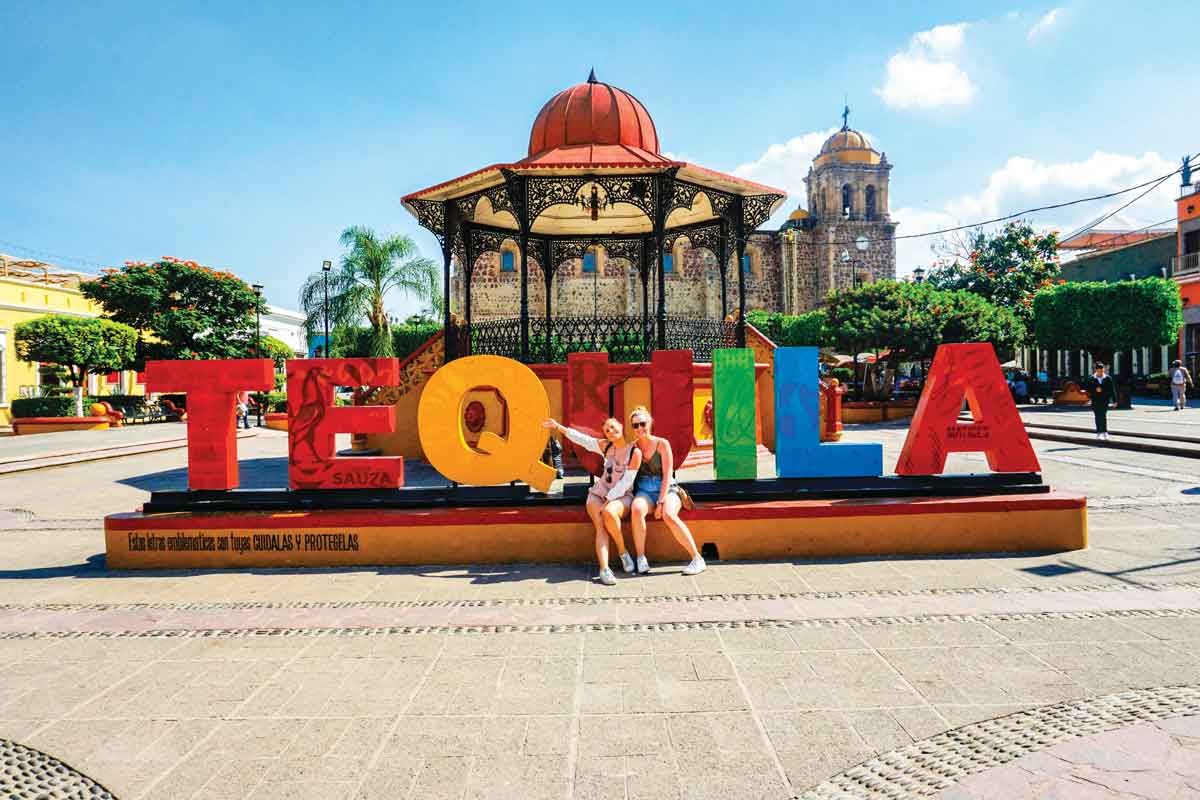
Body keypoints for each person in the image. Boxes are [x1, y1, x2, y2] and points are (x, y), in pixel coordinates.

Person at [542, 416, 638, 586]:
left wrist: (609, 499)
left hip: (621, 496)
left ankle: (623, 552)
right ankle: (605, 569)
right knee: (600, 525)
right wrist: (558, 427)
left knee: (609, 513)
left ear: (621, 427)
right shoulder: (605, 446)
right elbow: (582, 439)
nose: (611, 431)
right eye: (607, 430)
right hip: (598, 493)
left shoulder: (634, 452)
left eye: (613, 427)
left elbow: (626, 482)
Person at [627, 406, 706, 576]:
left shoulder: (662, 444)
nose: (640, 428)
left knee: (668, 515)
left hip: (668, 488)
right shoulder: (633, 448)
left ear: (650, 423)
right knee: (636, 509)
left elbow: (667, 473)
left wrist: (661, 502)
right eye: (635, 425)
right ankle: (640, 558)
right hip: (645, 490)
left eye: (642, 423)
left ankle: (697, 558)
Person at [1082, 362, 1115, 441]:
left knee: (1103, 415)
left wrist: (1115, 401)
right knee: (1097, 416)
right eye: (1099, 370)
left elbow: (1112, 390)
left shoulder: (1108, 378)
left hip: (1104, 400)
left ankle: (1105, 432)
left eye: (1102, 370)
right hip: (1095, 400)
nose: (1101, 372)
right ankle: (1099, 432)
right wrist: (1095, 390)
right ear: (1096, 370)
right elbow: (1087, 389)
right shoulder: (1091, 379)